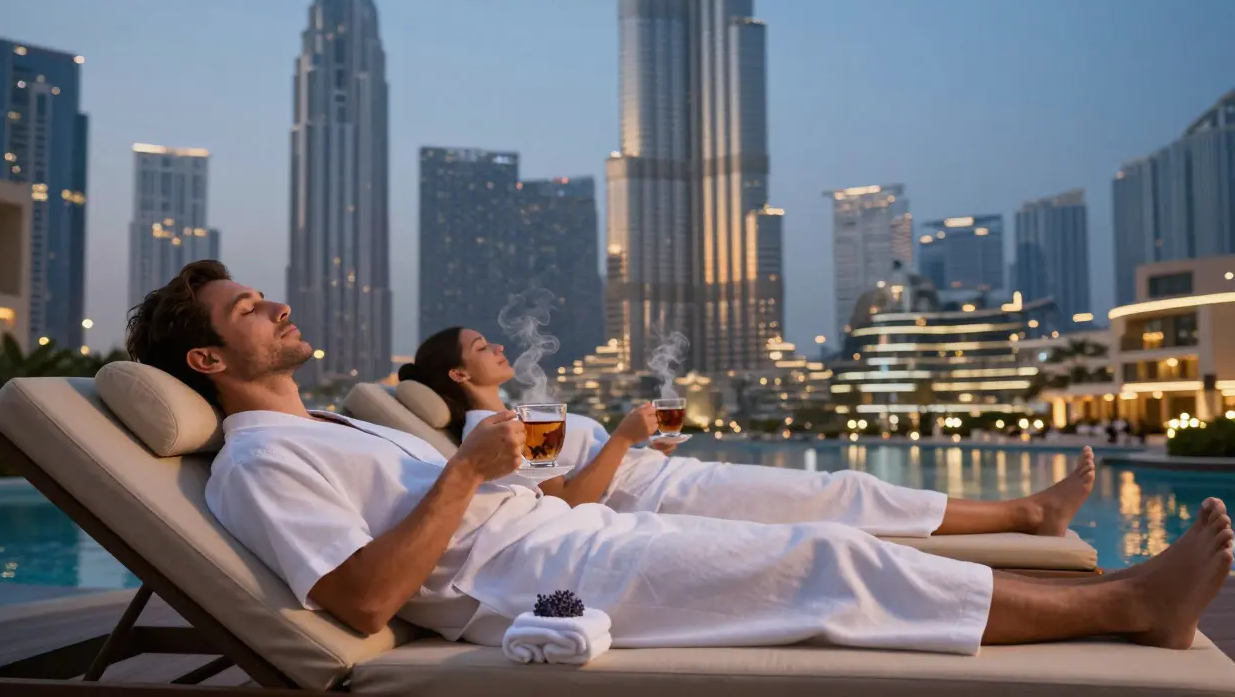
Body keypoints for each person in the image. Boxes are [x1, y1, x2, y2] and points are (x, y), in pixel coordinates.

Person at [125, 260, 1231, 658]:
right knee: (825, 562)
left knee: (826, 531)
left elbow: (514, 485)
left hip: (571, 535)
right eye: (247, 308)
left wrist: (522, 467)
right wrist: (468, 472)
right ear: (209, 359)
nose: (275, 305)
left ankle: (1093, 579)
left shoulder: (333, 425)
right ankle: (1130, 607)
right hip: (537, 584)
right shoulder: (259, 461)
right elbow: (361, 602)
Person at [400, 327, 1091, 539]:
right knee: (842, 495)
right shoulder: (497, 431)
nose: (498, 347)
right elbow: (569, 506)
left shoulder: (521, 416)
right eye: (482, 346)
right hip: (665, 500)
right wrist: (622, 439)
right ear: (459, 375)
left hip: (666, 477)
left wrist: (644, 446)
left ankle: (1022, 514)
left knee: (841, 493)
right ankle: (1027, 514)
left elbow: (580, 482)